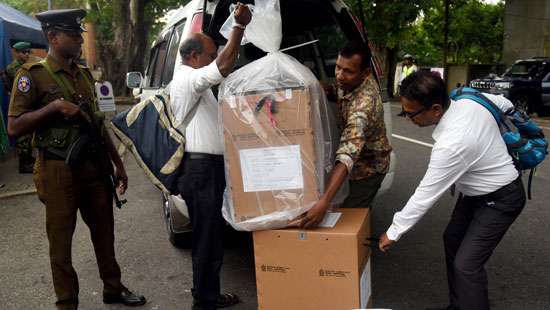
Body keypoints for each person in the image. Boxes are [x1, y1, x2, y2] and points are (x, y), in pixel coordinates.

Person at [7, 9, 146, 310]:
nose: (79, 40)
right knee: (61, 241)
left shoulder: (82, 75)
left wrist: (118, 164)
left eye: (80, 35)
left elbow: (96, 123)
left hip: (93, 167)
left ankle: (113, 287)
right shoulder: (32, 76)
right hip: (58, 170)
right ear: (53, 38)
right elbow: (14, 126)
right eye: (73, 35)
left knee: (104, 232)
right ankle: (67, 302)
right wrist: (54, 107)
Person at [379, 71, 526, 310]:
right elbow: (504, 103)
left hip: (501, 199)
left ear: (436, 109)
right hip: (474, 194)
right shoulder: (468, 100)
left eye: (410, 113)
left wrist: (394, 231)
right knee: (453, 239)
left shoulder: (453, 144)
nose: (407, 118)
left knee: (466, 265)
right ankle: (460, 305)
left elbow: (426, 194)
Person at [169, 3, 251, 310]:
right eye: (209, 54)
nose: (213, 59)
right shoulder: (187, 80)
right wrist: (238, 28)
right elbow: (223, 67)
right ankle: (204, 301)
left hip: (206, 170)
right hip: (200, 170)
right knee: (206, 239)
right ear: (193, 57)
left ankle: (207, 294)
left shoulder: (194, 84)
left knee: (210, 236)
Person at [292, 41, 392, 228]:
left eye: (348, 71)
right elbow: (332, 88)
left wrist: (324, 202)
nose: (339, 75)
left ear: (365, 73)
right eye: (337, 67)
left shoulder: (364, 105)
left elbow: (347, 155)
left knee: (349, 220)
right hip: (352, 163)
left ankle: (358, 253)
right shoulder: (346, 81)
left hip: (367, 169)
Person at [4, 41, 36, 172]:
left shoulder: (24, 66)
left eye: (28, 52)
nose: (27, 54)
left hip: (26, 102)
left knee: (28, 133)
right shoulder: (14, 68)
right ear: (16, 53)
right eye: (24, 52)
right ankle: (23, 164)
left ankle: (28, 158)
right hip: (19, 105)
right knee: (23, 135)